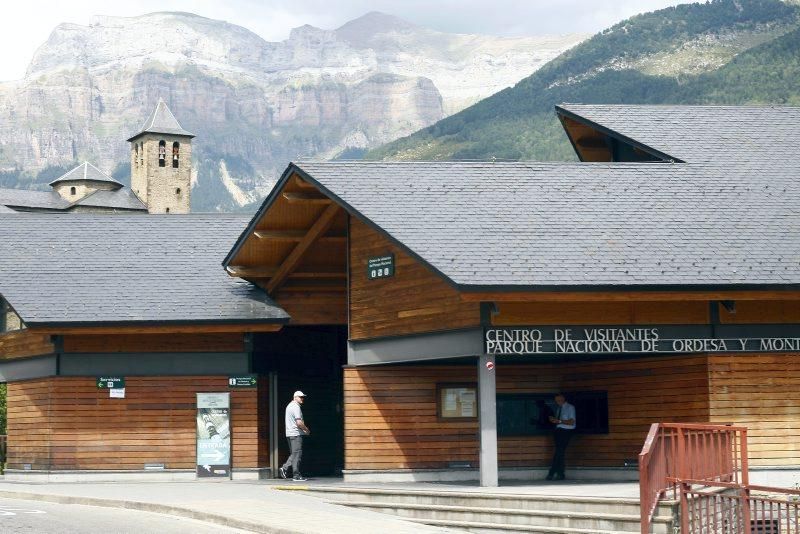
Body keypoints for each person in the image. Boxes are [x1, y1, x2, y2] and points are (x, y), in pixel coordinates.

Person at [279, 391, 310, 482]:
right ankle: (292, 473)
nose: (302, 399)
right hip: (296, 434)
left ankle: (294, 473)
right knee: (297, 454)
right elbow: (299, 422)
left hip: (289, 434)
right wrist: (306, 429)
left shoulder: (289, 406)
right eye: (300, 397)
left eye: (303, 397)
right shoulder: (296, 407)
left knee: (294, 454)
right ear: (295, 397)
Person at [546, 393, 576, 481]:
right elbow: (559, 421)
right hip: (558, 431)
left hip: (566, 431)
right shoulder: (559, 408)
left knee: (559, 451)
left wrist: (559, 421)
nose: (557, 402)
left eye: (559, 400)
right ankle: (560, 473)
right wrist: (555, 420)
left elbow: (571, 422)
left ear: (563, 399)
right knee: (560, 452)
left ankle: (552, 472)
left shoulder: (570, 407)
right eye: (556, 400)